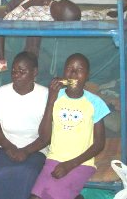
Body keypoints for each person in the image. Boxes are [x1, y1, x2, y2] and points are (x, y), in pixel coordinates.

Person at [30, 53, 109, 199]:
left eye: (79, 70)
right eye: (69, 69)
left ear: (87, 75)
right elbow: (44, 136)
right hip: (53, 160)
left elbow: (99, 144)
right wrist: (51, 100)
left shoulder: (95, 103)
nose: (73, 73)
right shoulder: (54, 97)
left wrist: (70, 165)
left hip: (81, 163)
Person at [0, 0, 127, 72]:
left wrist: (116, 11)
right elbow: (4, 23)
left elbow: (94, 15)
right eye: (57, 4)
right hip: (19, 5)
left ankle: (3, 58)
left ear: (58, 19)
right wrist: (32, 2)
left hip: (26, 7)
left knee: (2, 21)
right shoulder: (41, 9)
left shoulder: (43, 16)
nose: (54, 4)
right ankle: (1, 57)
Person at [0, 52, 49, 199]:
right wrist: (9, 147)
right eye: (14, 71)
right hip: (6, 146)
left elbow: (47, 136)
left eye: (22, 71)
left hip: (36, 149)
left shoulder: (45, 94)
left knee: (28, 173)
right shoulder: (2, 92)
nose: (16, 75)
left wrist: (26, 151)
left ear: (34, 72)